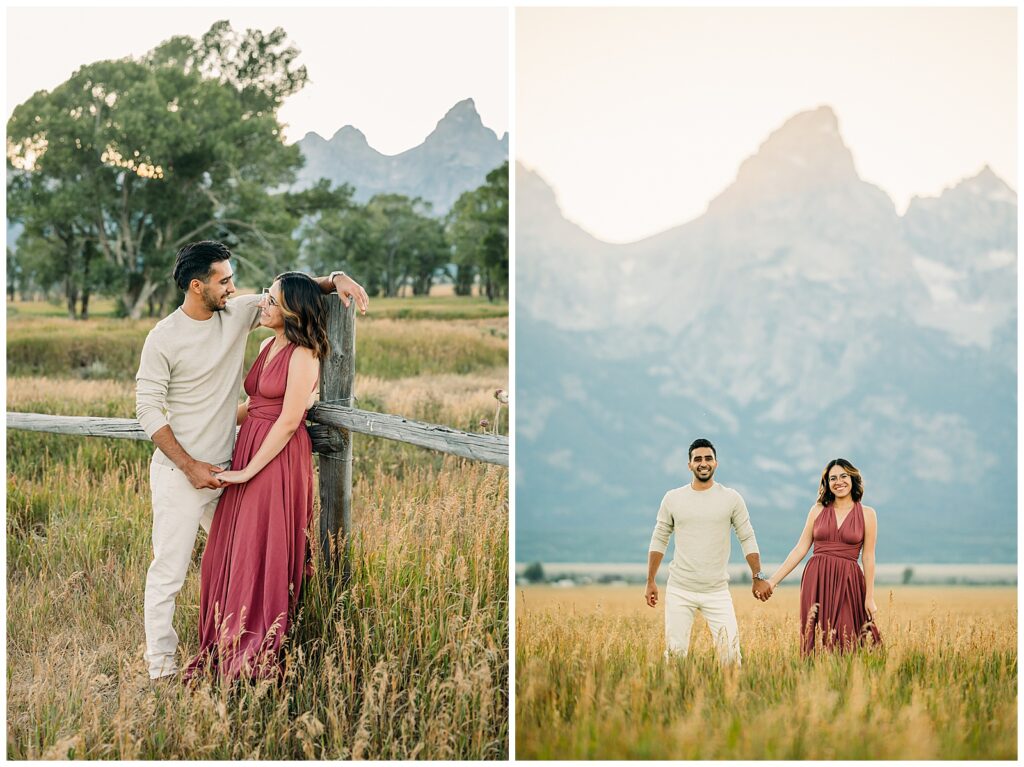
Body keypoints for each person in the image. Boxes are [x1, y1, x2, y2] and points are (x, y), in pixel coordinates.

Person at [135, 240, 369, 681]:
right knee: (169, 569)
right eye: (225, 281)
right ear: (196, 285)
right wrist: (190, 467)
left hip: (231, 469)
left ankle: (246, 641)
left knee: (241, 560)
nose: (235, 288)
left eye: (233, 279)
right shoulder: (163, 338)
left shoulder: (236, 312)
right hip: (181, 473)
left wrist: (336, 278)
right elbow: (147, 409)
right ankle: (160, 667)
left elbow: (294, 294)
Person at [184, 272, 331, 680]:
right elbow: (254, 406)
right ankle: (225, 636)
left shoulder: (304, 354)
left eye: (271, 300)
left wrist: (247, 471)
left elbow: (287, 421)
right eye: (266, 297)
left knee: (259, 543)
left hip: (275, 457)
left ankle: (254, 645)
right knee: (231, 545)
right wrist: (196, 418)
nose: (262, 305)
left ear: (292, 310)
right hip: (249, 444)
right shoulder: (267, 344)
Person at [645, 438, 772, 665]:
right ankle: (674, 698)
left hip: (717, 591)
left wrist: (758, 576)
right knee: (675, 656)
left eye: (708, 458)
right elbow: (660, 537)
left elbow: (747, 536)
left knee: (731, 656)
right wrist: (650, 580)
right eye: (697, 459)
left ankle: (730, 697)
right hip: (680, 589)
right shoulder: (673, 498)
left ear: (716, 463)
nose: (703, 463)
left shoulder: (731, 498)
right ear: (689, 465)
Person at [766, 457, 881, 654]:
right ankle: (814, 679)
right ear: (827, 483)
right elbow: (800, 549)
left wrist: (869, 597)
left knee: (847, 637)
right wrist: (772, 581)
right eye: (833, 478)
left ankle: (850, 680)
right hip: (816, 578)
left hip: (849, 580)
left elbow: (868, 557)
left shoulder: (868, 514)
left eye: (844, 476)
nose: (839, 482)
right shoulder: (817, 510)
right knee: (816, 635)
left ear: (853, 478)